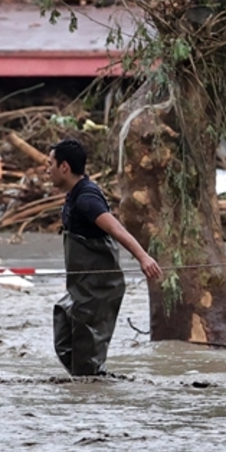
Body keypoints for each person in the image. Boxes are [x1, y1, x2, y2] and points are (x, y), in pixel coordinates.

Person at [45, 139, 162, 376]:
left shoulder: (86, 200)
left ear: (64, 167)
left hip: (99, 287)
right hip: (81, 287)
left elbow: (116, 229)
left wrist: (143, 258)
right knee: (64, 332)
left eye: (50, 164)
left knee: (87, 357)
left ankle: (93, 393)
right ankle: (90, 386)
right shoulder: (74, 194)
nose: (47, 169)